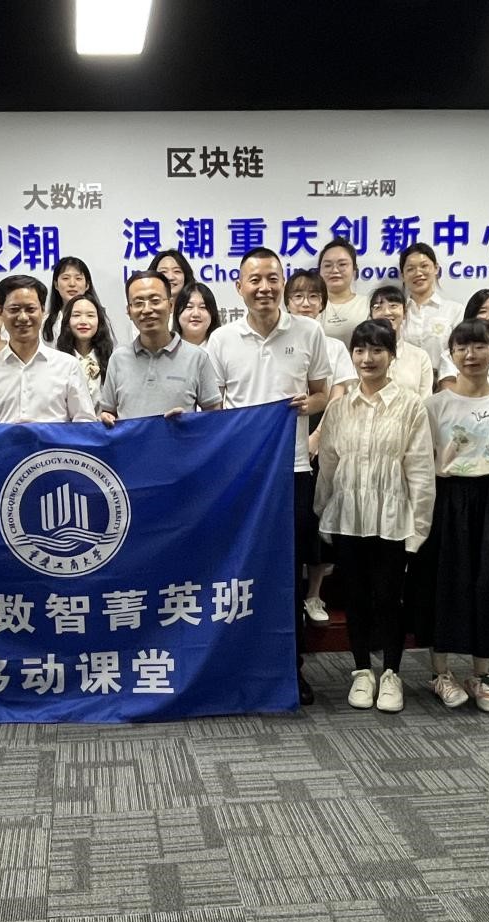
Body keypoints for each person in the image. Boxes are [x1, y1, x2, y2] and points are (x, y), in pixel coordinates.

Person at [206, 247, 331, 705]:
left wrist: (307, 405)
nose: (264, 287)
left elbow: (323, 394)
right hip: (241, 476)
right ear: (239, 287)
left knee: (287, 574)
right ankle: (238, 664)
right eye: (254, 280)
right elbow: (213, 408)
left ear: (283, 283)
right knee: (239, 571)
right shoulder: (222, 339)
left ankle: (289, 670)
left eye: (272, 278)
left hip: (292, 470)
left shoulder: (309, 331)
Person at [407, 319, 489, 712]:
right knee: (442, 585)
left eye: (480, 346)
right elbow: (421, 462)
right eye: (462, 347)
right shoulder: (434, 406)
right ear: (451, 354)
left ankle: (480, 675)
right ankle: (441, 673)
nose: (471, 355)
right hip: (444, 500)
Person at [313, 319, 435, 712]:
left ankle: (392, 674)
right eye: (361, 350)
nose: (368, 358)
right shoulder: (339, 408)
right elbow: (328, 465)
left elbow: (420, 470)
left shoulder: (411, 406)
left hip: (391, 519)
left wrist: (419, 527)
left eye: (378, 350)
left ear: (392, 355)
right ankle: (362, 671)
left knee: (387, 598)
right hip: (347, 517)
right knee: (355, 598)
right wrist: (323, 511)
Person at [284, 268, 356, 624]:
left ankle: (313, 595)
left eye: (314, 297)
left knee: (317, 518)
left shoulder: (334, 346)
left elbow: (336, 395)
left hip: (323, 436)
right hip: (286, 438)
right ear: (287, 302)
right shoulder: (281, 341)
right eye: (298, 296)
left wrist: (316, 437)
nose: (306, 303)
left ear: (323, 304)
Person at [0, 274, 97, 423]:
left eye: (30, 309)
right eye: (14, 309)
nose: (23, 317)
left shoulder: (68, 366)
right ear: (0, 312)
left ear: (43, 311)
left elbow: (85, 424)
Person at [99, 270, 221, 422]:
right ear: (129, 311)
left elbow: (215, 418)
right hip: (132, 439)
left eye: (155, 301)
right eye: (138, 303)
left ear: (170, 305)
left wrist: (189, 422)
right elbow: (108, 412)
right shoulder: (118, 359)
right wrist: (105, 417)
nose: (147, 310)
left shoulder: (197, 358)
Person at [399, 242, 464, 370]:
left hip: (445, 380)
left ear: (436, 268)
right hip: (404, 381)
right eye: (410, 269)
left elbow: (462, 351)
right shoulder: (397, 313)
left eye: (424, 266)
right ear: (403, 276)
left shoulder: (454, 311)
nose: (418, 273)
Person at [367, 285, 433, 402]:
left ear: (405, 313)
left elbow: (426, 402)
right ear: (371, 316)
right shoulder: (362, 356)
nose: (386, 312)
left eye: (393, 306)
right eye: (378, 307)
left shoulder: (420, 357)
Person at [55, 293, 114, 409]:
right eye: (76, 315)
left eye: (90, 315)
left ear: (99, 321)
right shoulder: (57, 362)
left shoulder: (111, 360)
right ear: (67, 320)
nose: (83, 321)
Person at [316, 237, 370, 349]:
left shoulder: (368, 304)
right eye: (327, 265)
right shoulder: (310, 306)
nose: (335, 270)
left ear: (354, 270)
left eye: (342, 264)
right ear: (319, 271)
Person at [43, 256, 101, 344]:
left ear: (87, 285)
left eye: (78, 278)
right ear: (56, 285)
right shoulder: (46, 323)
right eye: (65, 278)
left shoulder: (99, 318)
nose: (72, 284)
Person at [172, 282, 221, 346]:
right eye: (189, 307)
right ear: (177, 312)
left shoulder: (221, 346)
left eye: (202, 307)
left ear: (212, 313)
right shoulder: (166, 347)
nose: (196, 314)